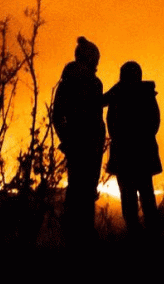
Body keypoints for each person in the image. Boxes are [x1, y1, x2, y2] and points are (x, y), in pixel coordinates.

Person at [51, 36, 107, 244]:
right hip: (88, 144)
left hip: (81, 143)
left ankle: (76, 235)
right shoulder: (91, 83)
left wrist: (66, 139)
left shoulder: (69, 82)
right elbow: (63, 115)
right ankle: (82, 236)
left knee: (78, 190)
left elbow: (58, 116)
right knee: (83, 191)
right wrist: (69, 139)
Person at [104, 61, 162, 234]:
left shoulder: (117, 94)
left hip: (124, 154)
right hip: (143, 153)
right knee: (146, 194)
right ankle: (151, 232)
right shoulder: (147, 94)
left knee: (129, 197)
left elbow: (111, 122)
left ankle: (135, 233)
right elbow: (155, 122)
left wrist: (121, 138)